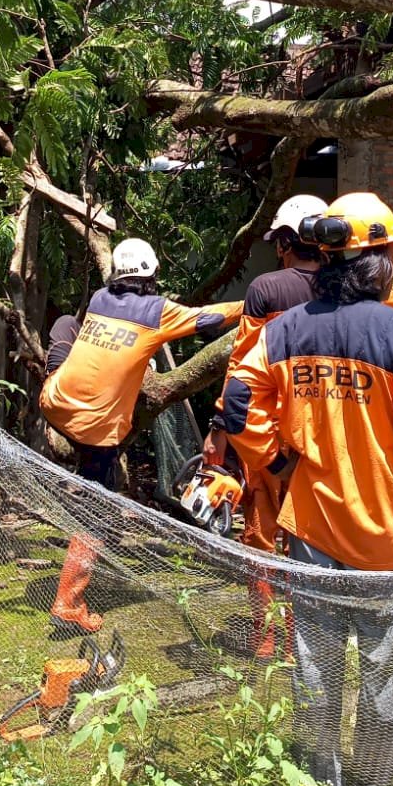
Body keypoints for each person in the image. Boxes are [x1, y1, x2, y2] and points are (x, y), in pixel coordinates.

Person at [218, 193, 393, 786]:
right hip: (387, 545)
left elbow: (238, 407)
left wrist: (276, 464)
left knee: (316, 675)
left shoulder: (284, 332)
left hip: (311, 540)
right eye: (392, 254)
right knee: (383, 681)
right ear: (374, 261)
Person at [205, 194, 393, 656]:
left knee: (261, 539)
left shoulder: (266, 290)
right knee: (318, 538)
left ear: (283, 243)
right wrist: (375, 244)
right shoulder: (369, 294)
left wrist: (223, 428)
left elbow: (242, 368)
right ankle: (311, 635)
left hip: (272, 440)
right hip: (330, 440)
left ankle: (267, 638)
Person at [39, 237, 243, 632]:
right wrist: (250, 307)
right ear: (151, 274)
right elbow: (207, 319)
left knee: (66, 326)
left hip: (54, 401)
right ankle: (68, 602)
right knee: (94, 511)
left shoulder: (99, 298)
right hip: (97, 428)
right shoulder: (157, 310)